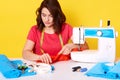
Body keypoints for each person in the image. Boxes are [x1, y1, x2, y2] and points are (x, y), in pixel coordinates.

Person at [22, 0, 89, 64]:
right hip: (42, 68)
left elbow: (86, 47)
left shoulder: (66, 28)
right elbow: (25, 53)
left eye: (51, 16)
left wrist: (74, 45)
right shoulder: (34, 30)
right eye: (44, 15)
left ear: (57, 15)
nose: (46, 19)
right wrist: (39, 57)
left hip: (63, 68)